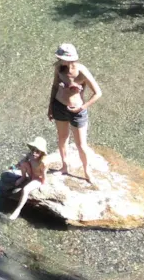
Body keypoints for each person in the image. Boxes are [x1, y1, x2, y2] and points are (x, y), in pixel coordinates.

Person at [48, 43, 102, 183]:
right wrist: (50, 107)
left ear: (70, 58)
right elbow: (54, 86)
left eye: (61, 58)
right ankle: (64, 166)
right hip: (59, 106)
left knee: (81, 145)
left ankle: (87, 171)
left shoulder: (81, 71)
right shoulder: (59, 67)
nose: (59, 60)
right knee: (62, 138)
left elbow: (98, 93)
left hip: (77, 111)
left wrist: (82, 107)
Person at [8, 136, 48, 220]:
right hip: (31, 174)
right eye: (33, 150)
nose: (34, 153)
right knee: (23, 163)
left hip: (37, 178)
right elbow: (21, 163)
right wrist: (13, 167)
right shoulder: (30, 155)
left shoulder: (43, 163)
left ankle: (18, 210)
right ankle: (23, 177)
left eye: (37, 152)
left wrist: (43, 184)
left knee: (25, 189)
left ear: (42, 153)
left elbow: (44, 174)